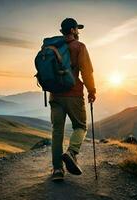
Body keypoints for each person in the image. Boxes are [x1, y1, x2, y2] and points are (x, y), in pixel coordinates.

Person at [49, 18, 96, 181]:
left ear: (63, 31)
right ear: (74, 30)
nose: (78, 32)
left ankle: (57, 170)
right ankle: (72, 152)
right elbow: (87, 71)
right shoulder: (79, 47)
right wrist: (92, 90)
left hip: (55, 95)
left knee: (57, 132)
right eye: (77, 29)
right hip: (74, 94)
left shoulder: (53, 47)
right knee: (80, 126)